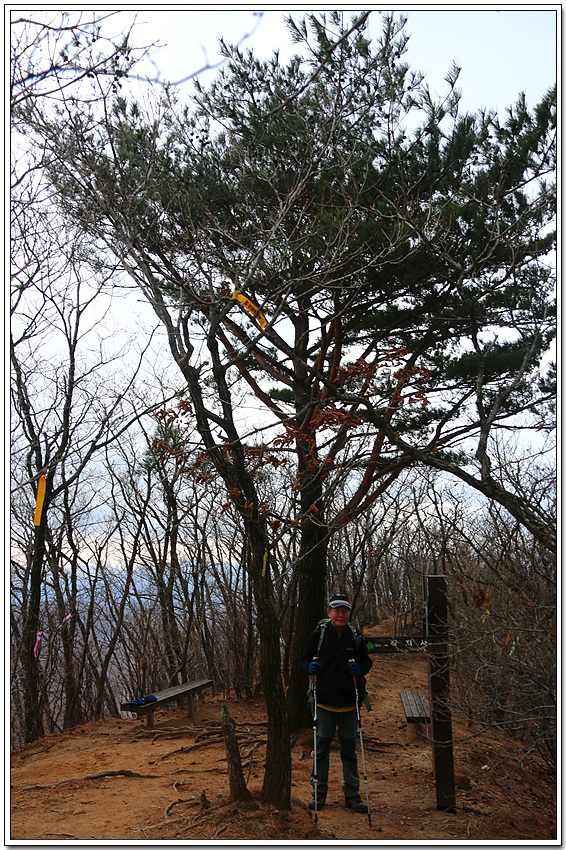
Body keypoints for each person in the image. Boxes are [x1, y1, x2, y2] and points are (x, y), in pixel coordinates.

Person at [301, 593, 372, 813]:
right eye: (337, 611)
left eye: (345, 611)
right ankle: (319, 793)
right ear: (329, 612)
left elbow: (367, 661)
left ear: (349, 613)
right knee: (321, 750)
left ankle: (352, 794)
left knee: (349, 751)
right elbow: (304, 659)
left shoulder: (356, 636)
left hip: (350, 703)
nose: (341, 615)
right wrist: (309, 668)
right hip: (324, 702)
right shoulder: (319, 634)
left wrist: (360, 669)